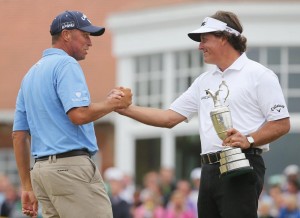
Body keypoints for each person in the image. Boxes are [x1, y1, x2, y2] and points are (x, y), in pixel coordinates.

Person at [116, 10, 290, 218]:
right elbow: (168, 118)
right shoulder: (203, 81)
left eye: (204, 39)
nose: (200, 46)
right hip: (208, 171)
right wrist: (125, 109)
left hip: (242, 165)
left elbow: (281, 123)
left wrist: (249, 139)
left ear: (224, 38)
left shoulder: (259, 75)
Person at [12, 10, 132, 218]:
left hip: (41, 173)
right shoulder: (66, 63)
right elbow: (79, 115)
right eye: (85, 35)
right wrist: (113, 103)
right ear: (66, 35)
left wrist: (26, 186)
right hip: (70, 169)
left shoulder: (30, 75)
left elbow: (18, 136)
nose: (90, 42)